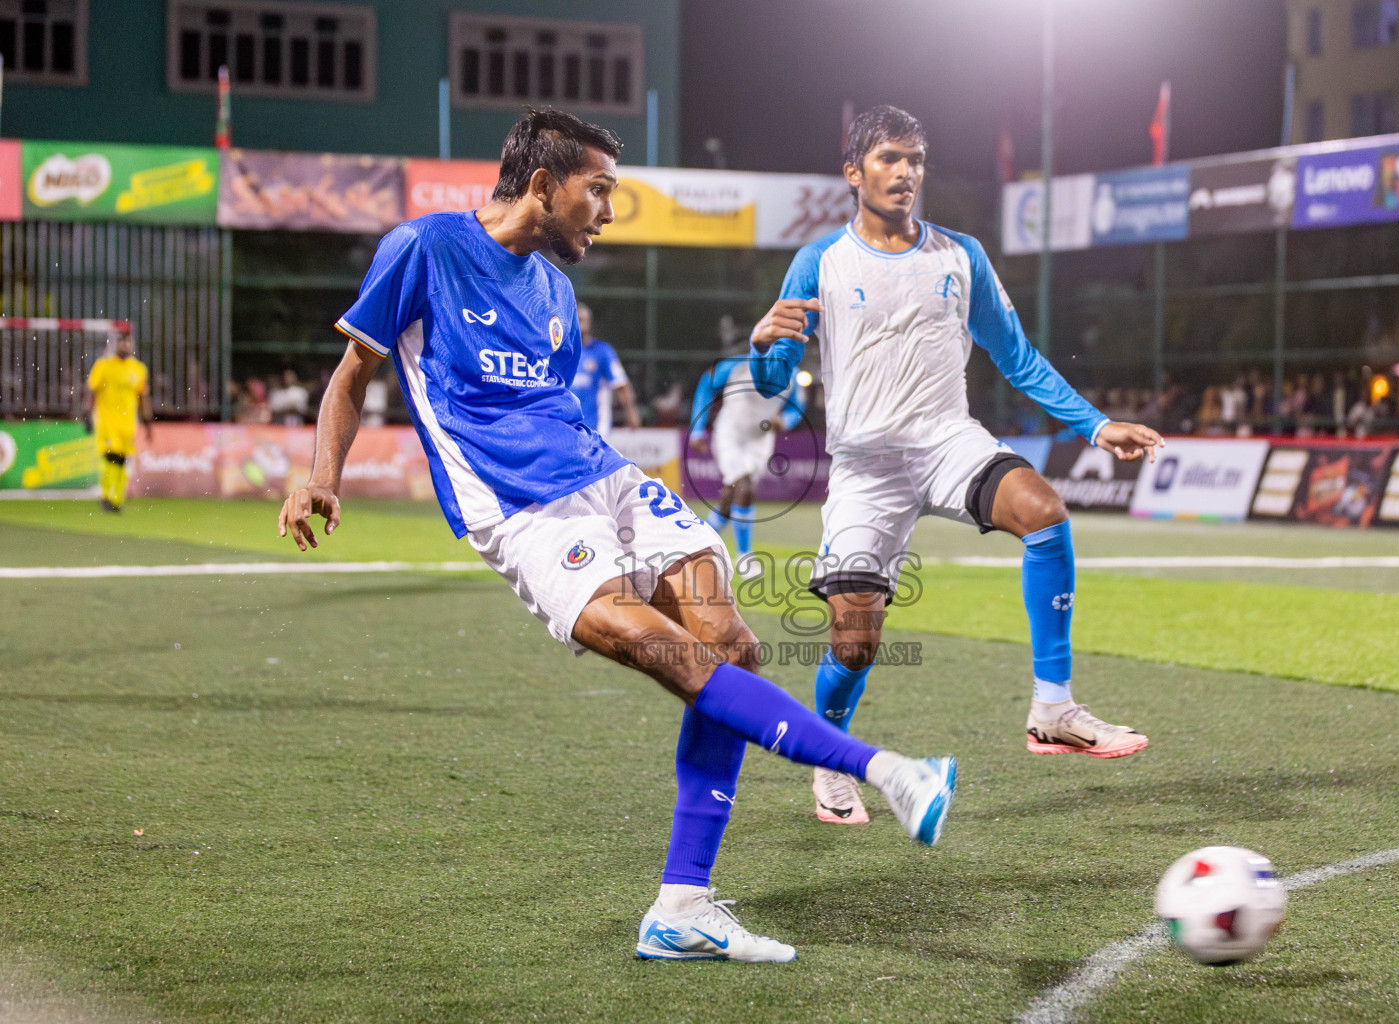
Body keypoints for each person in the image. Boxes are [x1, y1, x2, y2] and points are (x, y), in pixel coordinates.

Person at [277, 108, 956, 964]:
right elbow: (352, 375)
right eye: (597, 191)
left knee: (731, 649)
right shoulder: (423, 249)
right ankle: (886, 770)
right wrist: (321, 476)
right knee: (675, 657)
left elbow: (557, 410)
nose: (606, 211)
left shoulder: (557, 291)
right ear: (539, 185)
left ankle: (682, 906)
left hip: (609, 481)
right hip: (520, 509)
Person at [750, 106, 1162, 826]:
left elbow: (1018, 357)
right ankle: (829, 758)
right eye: (888, 158)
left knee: (1044, 511)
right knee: (855, 640)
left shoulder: (960, 255)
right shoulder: (819, 262)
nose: (905, 171)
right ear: (854, 172)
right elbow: (774, 380)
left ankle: (1053, 708)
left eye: (914, 159)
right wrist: (763, 345)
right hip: (865, 467)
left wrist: (1096, 426)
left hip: (948, 443)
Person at [688, 351, 804, 570]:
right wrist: (697, 429)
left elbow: (797, 407)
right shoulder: (737, 365)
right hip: (730, 434)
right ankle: (745, 556)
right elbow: (706, 385)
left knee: (731, 496)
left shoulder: (792, 374)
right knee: (744, 487)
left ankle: (697, 542)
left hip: (760, 439)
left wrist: (785, 420)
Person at [83, 333, 152, 513]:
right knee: (110, 456)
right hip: (107, 421)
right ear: (115, 345)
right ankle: (106, 496)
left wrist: (148, 423)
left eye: (128, 342)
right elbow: (92, 390)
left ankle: (116, 498)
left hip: (128, 424)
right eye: (121, 342)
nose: (125, 346)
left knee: (122, 460)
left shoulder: (138, 369)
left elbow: (142, 397)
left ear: (132, 345)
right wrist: (87, 414)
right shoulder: (103, 366)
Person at [568, 303, 641, 436]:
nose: (580, 324)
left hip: (596, 428)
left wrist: (631, 411)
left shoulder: (602, 351)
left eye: (582, 319)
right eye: (576, 320)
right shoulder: (565, 352)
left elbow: (621, 384)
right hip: (568, 427)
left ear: (590, 323)